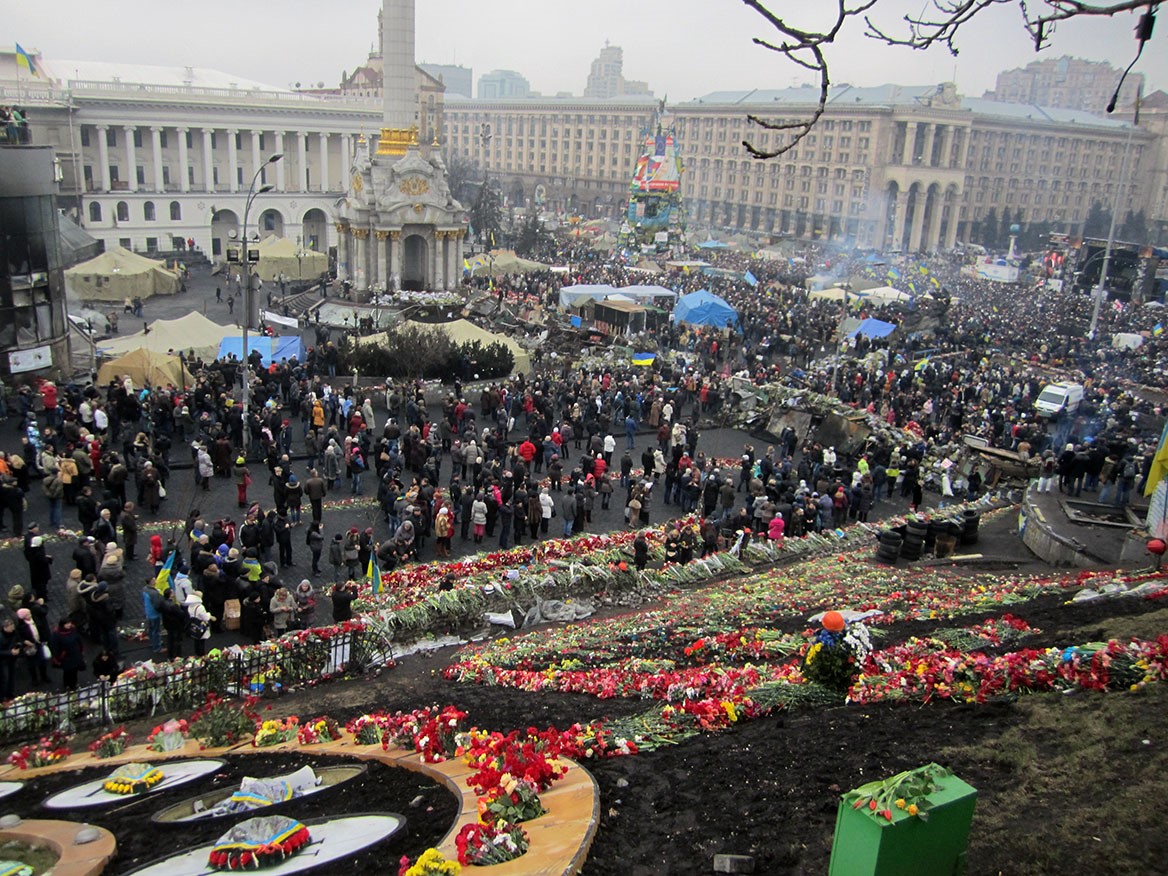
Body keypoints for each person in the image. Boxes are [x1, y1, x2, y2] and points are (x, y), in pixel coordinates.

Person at [49, 618, 84, 691]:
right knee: (67, 671)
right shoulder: (57, 634)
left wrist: (81, 650)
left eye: (69, 623)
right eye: (67, 624)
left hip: (75, 654)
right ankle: (67, 684)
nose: (69, 625)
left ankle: (73, 684)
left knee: (74, 671)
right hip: (65, 656)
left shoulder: (73, 630)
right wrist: (57, 657)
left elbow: (78, 640)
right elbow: (55, 647)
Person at [183, 590, 214, 657]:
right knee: (201, 642)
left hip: (194, 624)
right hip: (200, 625)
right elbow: (205, 617)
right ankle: (201, 655)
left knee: (196, 641)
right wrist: (209, 615)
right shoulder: (200, 607)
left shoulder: (190, 606)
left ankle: (197, 654)